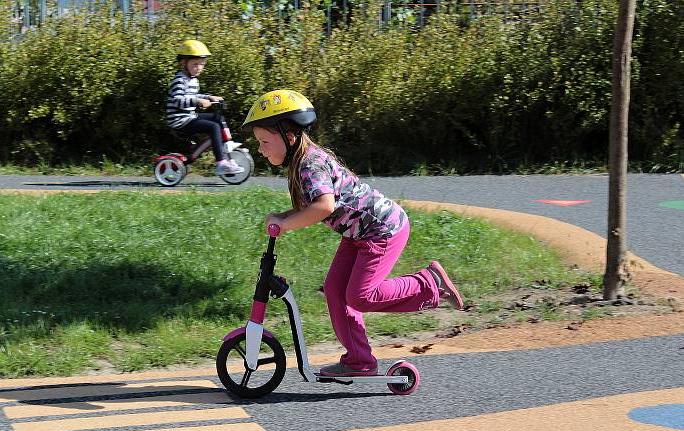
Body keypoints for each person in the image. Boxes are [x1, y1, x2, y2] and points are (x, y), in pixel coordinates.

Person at [242, 89, 465, 377]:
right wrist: (283, 216)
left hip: (382, 230)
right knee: (336, 290)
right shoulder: (302, 162)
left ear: (290, 136)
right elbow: (313, 205)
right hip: (359, 233)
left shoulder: (310, 163)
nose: (260, 149)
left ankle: (428, 284)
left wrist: (284, 224)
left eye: (264, 141)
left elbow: (323, 206)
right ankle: (359, 361)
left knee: (360, 296)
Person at [166, 39, 244, 175]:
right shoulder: (179, 79)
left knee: (217, 118)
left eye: (201, 64)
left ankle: (228, 143)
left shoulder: (193, 80)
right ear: (184, 63)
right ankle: (221, 163)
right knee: (213, 127)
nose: (199, 68)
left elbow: (196, 94)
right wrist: (198, 101)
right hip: (180, 121)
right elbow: (178, 100)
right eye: (195, 64)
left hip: (189, 117)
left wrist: (209, 97)